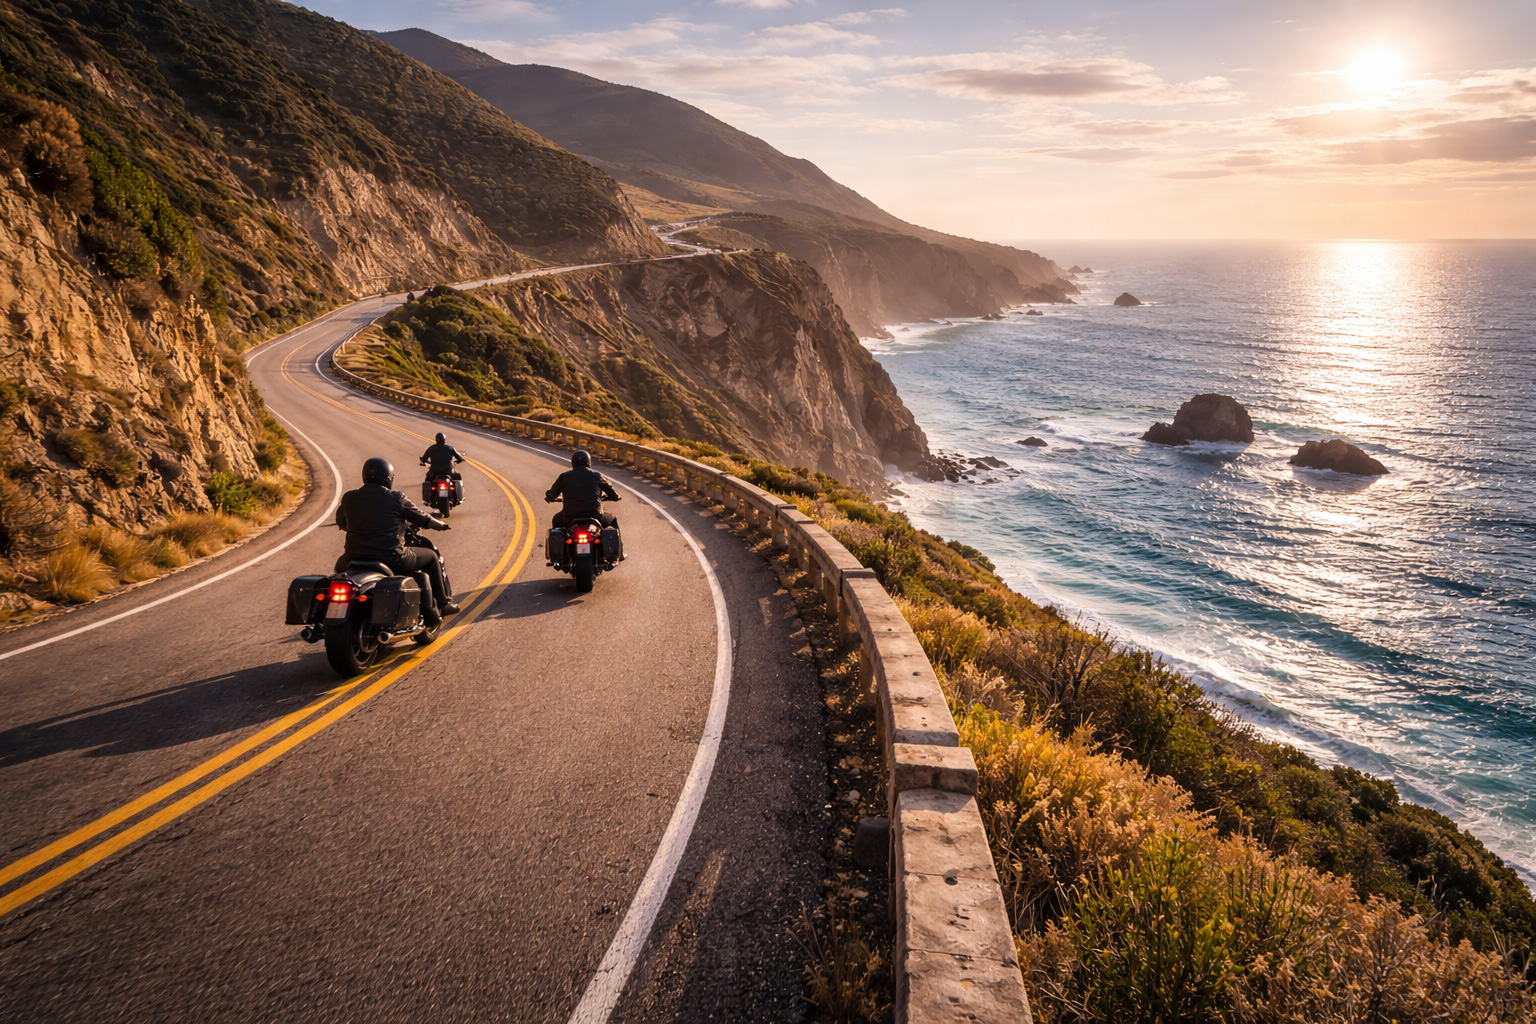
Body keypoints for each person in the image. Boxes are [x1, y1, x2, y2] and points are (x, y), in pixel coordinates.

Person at [335, 457, 458, 622]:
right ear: (388, 477)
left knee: (339, 572)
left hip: (353, 558)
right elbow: (423, 518)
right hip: (393, 558)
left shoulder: (349, 497)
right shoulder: (396, 497)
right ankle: (442, 603)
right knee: (431, 557)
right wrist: (441, 525)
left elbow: (341, 522)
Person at [545, 449, 620, 530]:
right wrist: (614, 497)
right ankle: (619, 543)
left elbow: (551, 495)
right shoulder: (598, 476)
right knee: (613, 519)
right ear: (589, 462)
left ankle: (559, 542)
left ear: (573, 462)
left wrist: (549, 497)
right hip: (595, 515)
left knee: (556, 520)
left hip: (570, 516)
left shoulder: (564, 477)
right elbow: (614, 495)